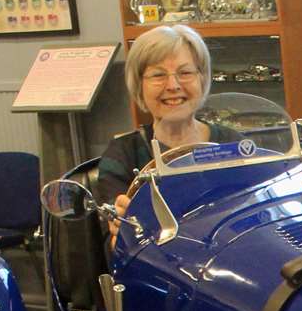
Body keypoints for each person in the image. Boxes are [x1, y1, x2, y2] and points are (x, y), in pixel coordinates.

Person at [96, 24, 240, 214]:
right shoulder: (123, 155)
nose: (173, 85)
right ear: (139, 86)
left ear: (202, 79)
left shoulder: (235, 144)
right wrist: (118, 220)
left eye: (185, 73)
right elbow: (115, 234)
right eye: (158, 75)